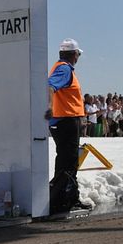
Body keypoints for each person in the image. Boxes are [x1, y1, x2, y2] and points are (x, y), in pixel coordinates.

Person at [45, 38, 92, 214]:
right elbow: (49, 86)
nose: (78, 58)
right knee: (69, 162)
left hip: (64, 120)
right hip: (65, 121)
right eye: (78, 54)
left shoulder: (61, 67)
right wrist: (50, 106)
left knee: (66, 161)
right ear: (74, 54)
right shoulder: (64, 69)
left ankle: (65, 198)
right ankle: (63, 200)